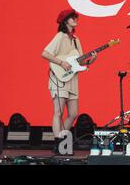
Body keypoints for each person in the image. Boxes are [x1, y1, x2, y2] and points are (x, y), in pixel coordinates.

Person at [41, 9, 97, 154]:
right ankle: (58, 142)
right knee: (58, 112)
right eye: (72, 18)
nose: (75, 19)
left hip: (72, 79)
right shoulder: (60, 36)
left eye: (75, 17)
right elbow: (45, 53)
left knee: (73, 113)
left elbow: (80, 61)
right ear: (65, 21)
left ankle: (61, 140)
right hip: (58, 78)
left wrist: (91, 59)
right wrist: (61, 63)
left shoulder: (76, 40)